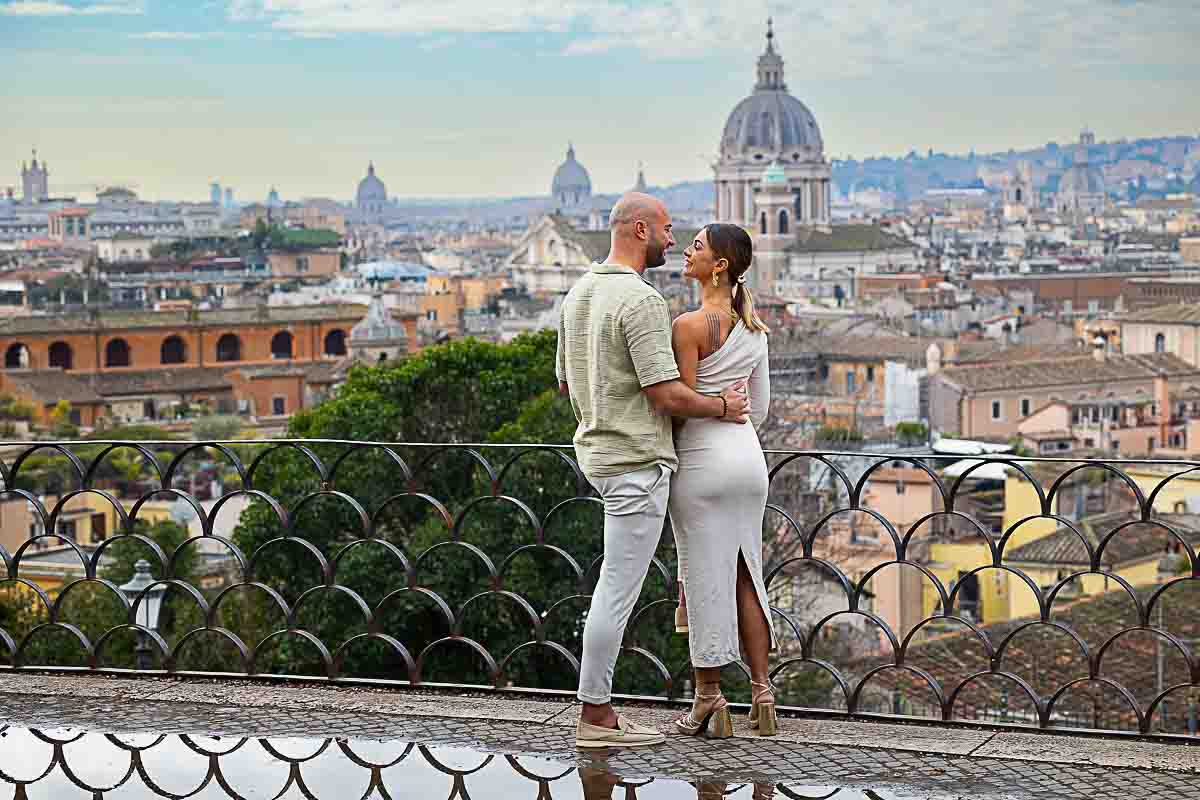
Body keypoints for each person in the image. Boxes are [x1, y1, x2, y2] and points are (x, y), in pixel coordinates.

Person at [557, 193, 751, 749]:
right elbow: (666, 394)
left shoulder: (579, 294)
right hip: (635, 460)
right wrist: (722, 407)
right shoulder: (640, 301)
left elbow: (568, 383)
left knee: (614, 584)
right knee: (616, 588)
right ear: (640, 229)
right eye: (667, 230)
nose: (673, 240)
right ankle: (595, 715)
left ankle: (601, 709)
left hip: (597, 450)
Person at [668, 224, 778, 739]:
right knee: (746, 575)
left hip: (704, 459)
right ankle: (763, 693)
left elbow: (684, 403)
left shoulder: (687, 326)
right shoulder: (756, 330)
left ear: (719, 265)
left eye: (697, 247)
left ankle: (709, 698)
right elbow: (761, 407)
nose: (687, 251)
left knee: (702, 579)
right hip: (748, 461)